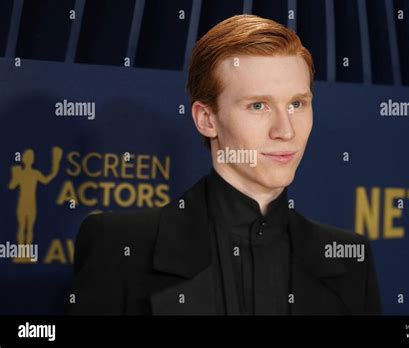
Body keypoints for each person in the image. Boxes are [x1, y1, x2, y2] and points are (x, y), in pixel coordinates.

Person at [65, 14, 381, 315]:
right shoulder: (121, 247)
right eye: (258, 105)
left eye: (297, 104)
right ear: (206, 119)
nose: (285, 130)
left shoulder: (349, 258)